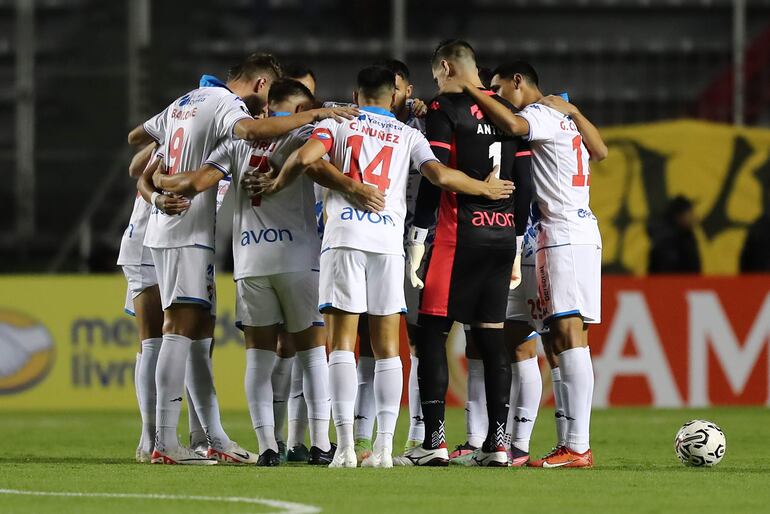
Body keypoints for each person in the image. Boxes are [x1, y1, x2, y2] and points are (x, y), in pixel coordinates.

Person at [261, 65, 514, 468]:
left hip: (344, 238)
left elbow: (308, 159)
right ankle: (382, 449)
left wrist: (350, 186)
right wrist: (484, 187)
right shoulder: (409, 133)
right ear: (392, 95)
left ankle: (344, 447)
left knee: (342, 344)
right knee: (387, 350)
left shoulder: (340, 122)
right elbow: (439, 175)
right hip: (387, 244)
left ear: (357, 94)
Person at [131, 53, 358, 465]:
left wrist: (159, 182)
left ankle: (241, 441)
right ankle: (166, 441)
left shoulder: (192, 108)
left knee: (216, 340)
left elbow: (144, 151)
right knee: (183, 330)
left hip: (230, 252)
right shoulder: (247, 119)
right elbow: (307, 160)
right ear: (260, 85)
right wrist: (321, 120)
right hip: (255, 247)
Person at [455, 60, 608, 468]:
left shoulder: (538, 114)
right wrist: (575, 111)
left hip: (564, 235)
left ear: (518, 82)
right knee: (553, 339)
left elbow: (516, 127)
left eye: (499, 88)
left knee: (570, 335)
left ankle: (578, 447)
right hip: (560, 235)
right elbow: (602, 151)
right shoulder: (564, 118)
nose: (496, 95)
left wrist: (471, 90)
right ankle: (555, 445)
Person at [398, 40, 533, 467]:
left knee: (432, 334)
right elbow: (524, 185)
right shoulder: (510, 116)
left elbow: (434, 174)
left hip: (457, 239)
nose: (435, 84)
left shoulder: (444, 110)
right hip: (499, 239)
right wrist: (514, 240)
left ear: (445, 67)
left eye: (437, 75)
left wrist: (418, 237)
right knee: (492, 338)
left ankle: (434, 440)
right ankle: (497, 445)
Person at [352, 58, 431, 462]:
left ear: (409, 91)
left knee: (418, 339)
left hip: (419, 244)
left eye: (402, 88)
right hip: (376, 238)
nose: (397, 95)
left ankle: (417, 439)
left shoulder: (424, 128)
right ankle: (363, 439)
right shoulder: (358, 123)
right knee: (368, 338)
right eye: (391, 88)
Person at [648, 195, 701, 274]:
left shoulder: (688, 235)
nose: (693, 216)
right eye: (689, 212)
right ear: (678, 216)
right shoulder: (667, 241)